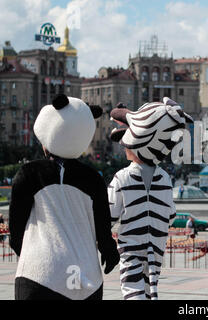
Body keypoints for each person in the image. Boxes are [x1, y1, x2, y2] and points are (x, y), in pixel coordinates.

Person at [9, 94, 119, 300]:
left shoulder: (29, 174)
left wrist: (23, 252)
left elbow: (16, 226)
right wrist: (109, 251)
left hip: (40, 274)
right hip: (86, 278)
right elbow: (103, 228)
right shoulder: (93, 179)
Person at [108, 97, 192, 300]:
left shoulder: (122, 177)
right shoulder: (164, 177)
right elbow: (170, 214)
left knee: (133, 290)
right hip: (156, 247)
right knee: (149, 287)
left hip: (131, 247)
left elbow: (108, 214)